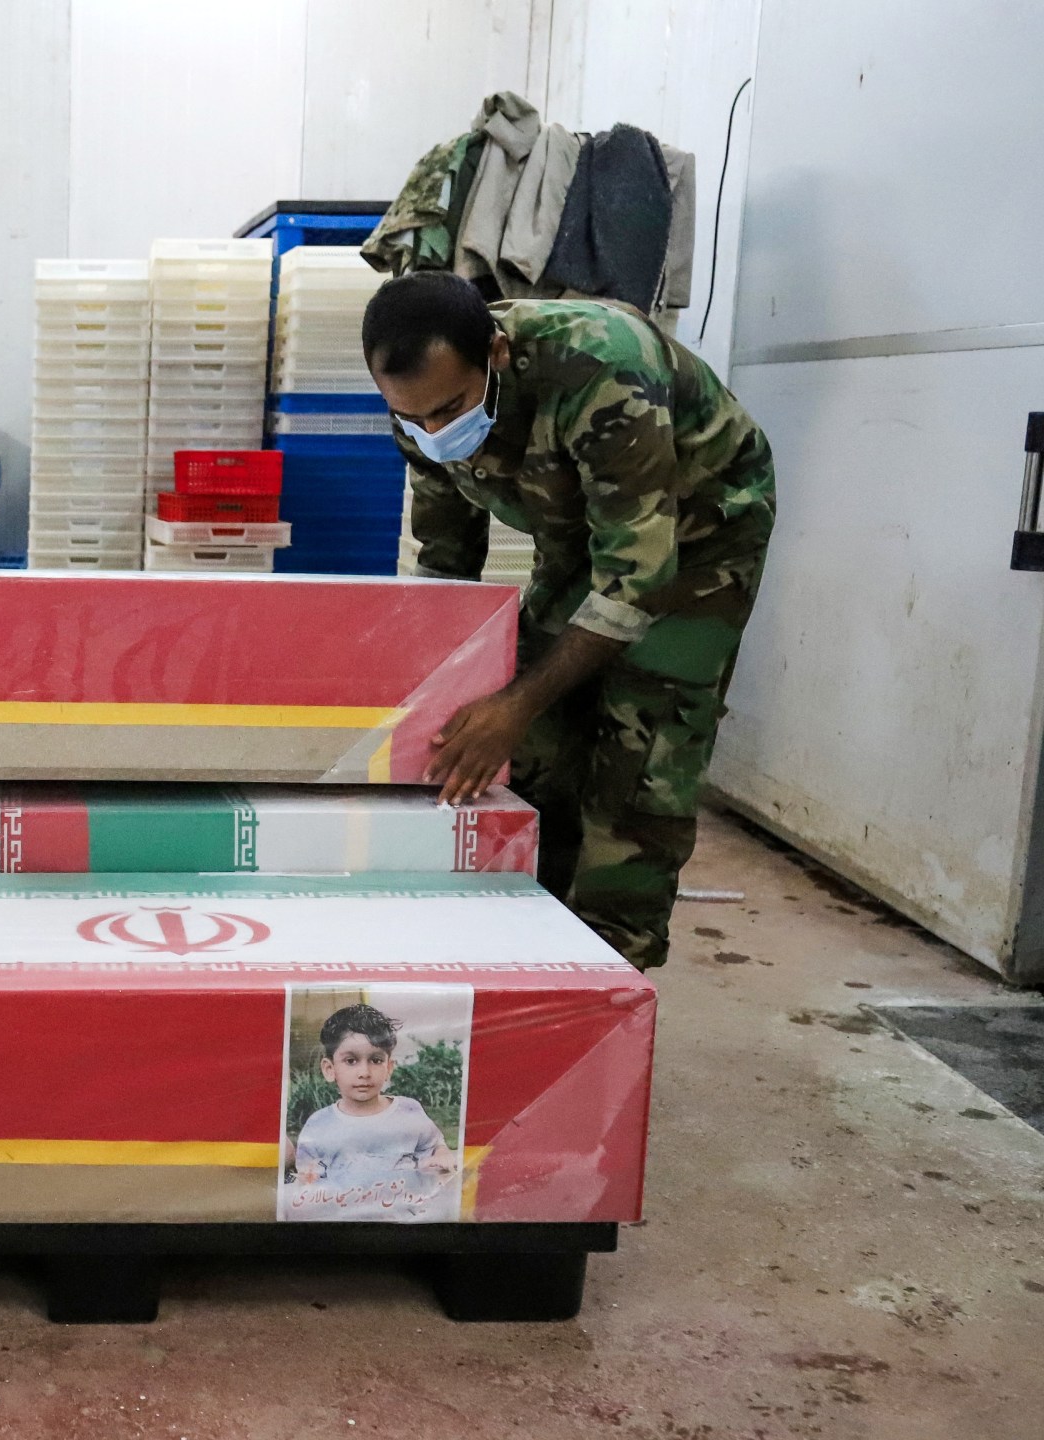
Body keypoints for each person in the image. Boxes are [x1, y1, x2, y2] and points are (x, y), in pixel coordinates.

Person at [364, 272, 776, 969]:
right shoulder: (419, 406)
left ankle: (612, 968)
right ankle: (538, 937)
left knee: (641, 753)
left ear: (497, 354)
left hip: (702, 534)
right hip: (580, 537)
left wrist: (514, 704)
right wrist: (434, 693)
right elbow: (445, 560)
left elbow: (639, 576)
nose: (433, 431)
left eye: (450, 410)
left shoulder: (602, 366)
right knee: (536, 749)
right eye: (413, 418)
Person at [286, 1004, 458, 1222]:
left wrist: (441, 1155)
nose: (364, 1072)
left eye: (375, 1060)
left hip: (404, 1220)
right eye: (351, 1061)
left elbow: (434, 1145)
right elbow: (308, 1182)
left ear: (389, 1068)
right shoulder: (318, 1124)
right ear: (330, 1069)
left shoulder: (408, 1111)